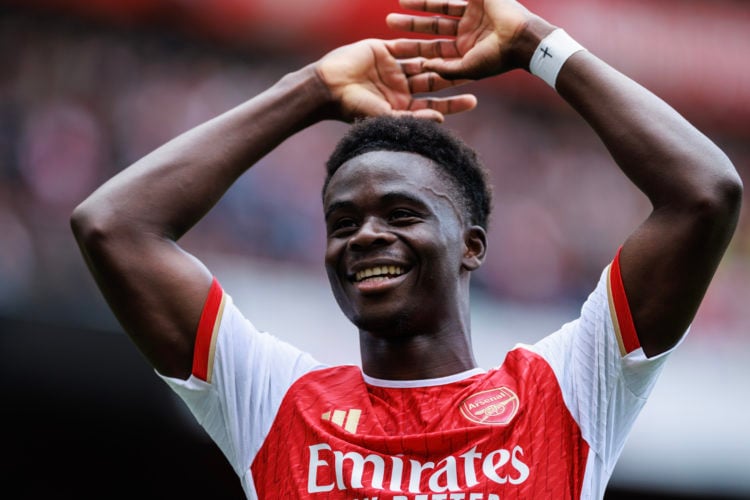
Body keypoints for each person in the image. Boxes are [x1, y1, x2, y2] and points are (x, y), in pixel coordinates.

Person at [70, 0, 742, 498]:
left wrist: (539, 45)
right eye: (342, 221)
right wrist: (310, 91)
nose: (365, 235)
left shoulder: (565, 393)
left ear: (471, 246)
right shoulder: (276, 403)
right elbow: (113, 224)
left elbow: (704, 194)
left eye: (400, 214)